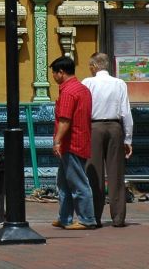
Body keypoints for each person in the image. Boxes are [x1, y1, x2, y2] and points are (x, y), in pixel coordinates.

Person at [82, 53, 134, 227]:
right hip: (115, 127)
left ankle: (94, 217)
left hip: (94, 127)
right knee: (116, 173)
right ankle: (118, 218)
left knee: (93, 173)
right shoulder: (119, 83)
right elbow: (126, 112)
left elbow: (83, 109)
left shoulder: (87, 83)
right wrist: (128, 139)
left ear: (94, 66)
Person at [49, 54, 96, 230]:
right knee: (63, 183)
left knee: (78, 184)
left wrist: (57, 141)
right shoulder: (82, 89)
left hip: (72, 143)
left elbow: (65, 120)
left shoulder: (68, 92)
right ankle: (65, 217)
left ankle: (86, 219)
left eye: (54, 73)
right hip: (81, 139)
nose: (53, 77)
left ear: (61, 72)